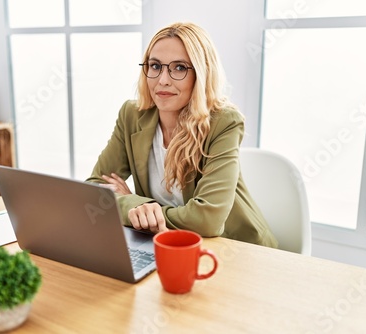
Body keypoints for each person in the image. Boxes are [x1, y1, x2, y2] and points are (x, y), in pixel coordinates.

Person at [86, 22, 278, 247]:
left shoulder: (224, 122)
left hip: (234, 248)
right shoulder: (132, 115)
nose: (163, 80)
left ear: (201, 75)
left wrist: (137, 206)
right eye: (155, 66)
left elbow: (208, 220)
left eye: (179, 68)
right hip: (166, 244)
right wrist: (139, 210)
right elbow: (94, 190)